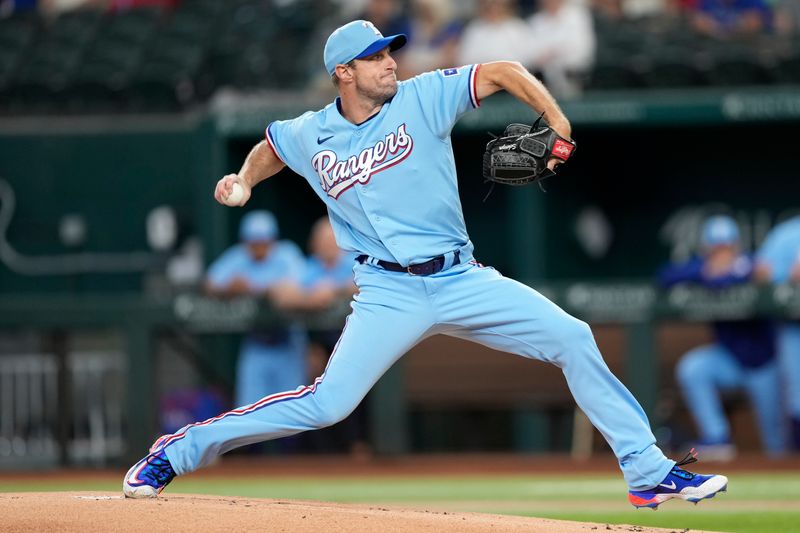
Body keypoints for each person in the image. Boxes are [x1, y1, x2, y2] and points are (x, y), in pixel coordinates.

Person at [124, 19, 728, 509]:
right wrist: (244, 181)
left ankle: (647, 470)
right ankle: (177, 452)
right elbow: (272, 147)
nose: (390, 62)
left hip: (461, 278)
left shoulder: (422, 96)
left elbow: (504, 70)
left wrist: (558, 119)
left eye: (390, 52)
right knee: (328, 404)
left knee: (573, 336)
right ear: (344, 72)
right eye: (375, 57)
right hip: (388, 293)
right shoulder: (312, 132)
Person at [660, 215, 784, 460]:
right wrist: (704, 271)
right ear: (706, 249)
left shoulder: (750, 264)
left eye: (726, 247)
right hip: (729, 362)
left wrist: (718, 274)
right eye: (716, 248)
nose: (722, 254)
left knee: (777, 444)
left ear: (736, 245)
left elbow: (736, 276)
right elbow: (665, 276)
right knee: (694, 367)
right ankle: (717, 438)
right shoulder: (702, 266)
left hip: (765, 365)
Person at [204, 210, 307, 409]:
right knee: (250, 410)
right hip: (257, 343)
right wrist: (227, 289)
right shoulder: (239, 256)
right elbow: (210, 283)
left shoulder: (286, 253)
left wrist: (254, 288)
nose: (259, 248)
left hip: (288, 342)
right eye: (254, 242)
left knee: (293, 409)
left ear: (272, 240)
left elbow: (297, 287)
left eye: (263, 242)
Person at [755, 214, 800, 450]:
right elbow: (762, 274)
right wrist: (790, 279)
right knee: (796, 392)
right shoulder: (788, 232)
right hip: (793, 324)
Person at [525, 0, 596, 98]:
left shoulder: (578, 16)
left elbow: (582, 51)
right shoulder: (534, 22)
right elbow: (532, 56)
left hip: (576, 78)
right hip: (544, 82)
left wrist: (553, 54)